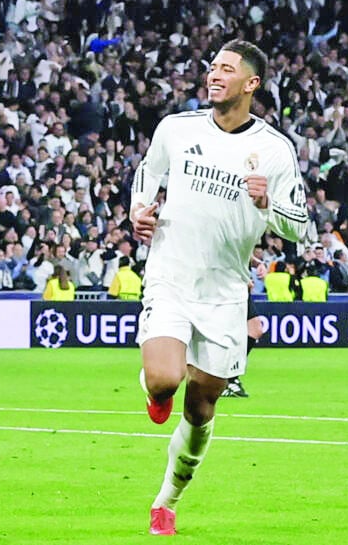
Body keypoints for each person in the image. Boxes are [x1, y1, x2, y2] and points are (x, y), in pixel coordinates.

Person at [130, 40, 312, 536]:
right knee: (167, 379)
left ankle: (167, 499)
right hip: (170, 273)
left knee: (201, 405)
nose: (214, 76)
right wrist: (138, 211)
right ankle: (155, 388)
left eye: (226, 70)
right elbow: (148, 174)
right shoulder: (177, 128)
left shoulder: (274, 150)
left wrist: (269, 202)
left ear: (251, 84)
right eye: (212, 68)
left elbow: (302, 230)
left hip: (226, 292)